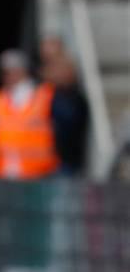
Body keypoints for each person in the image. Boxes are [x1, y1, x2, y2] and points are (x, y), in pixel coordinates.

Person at [0, 49, 59, 179]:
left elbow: (64, 131)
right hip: (4, 174)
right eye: (4, 72)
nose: (5, 77)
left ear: (22, 70)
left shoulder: (44, 96)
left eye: (8, 72)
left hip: (38, 175)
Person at [39, 36, 87, 175]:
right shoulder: (43, 90)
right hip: (43, 161)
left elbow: (70, 119)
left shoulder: (71, 97)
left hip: (65, 161)